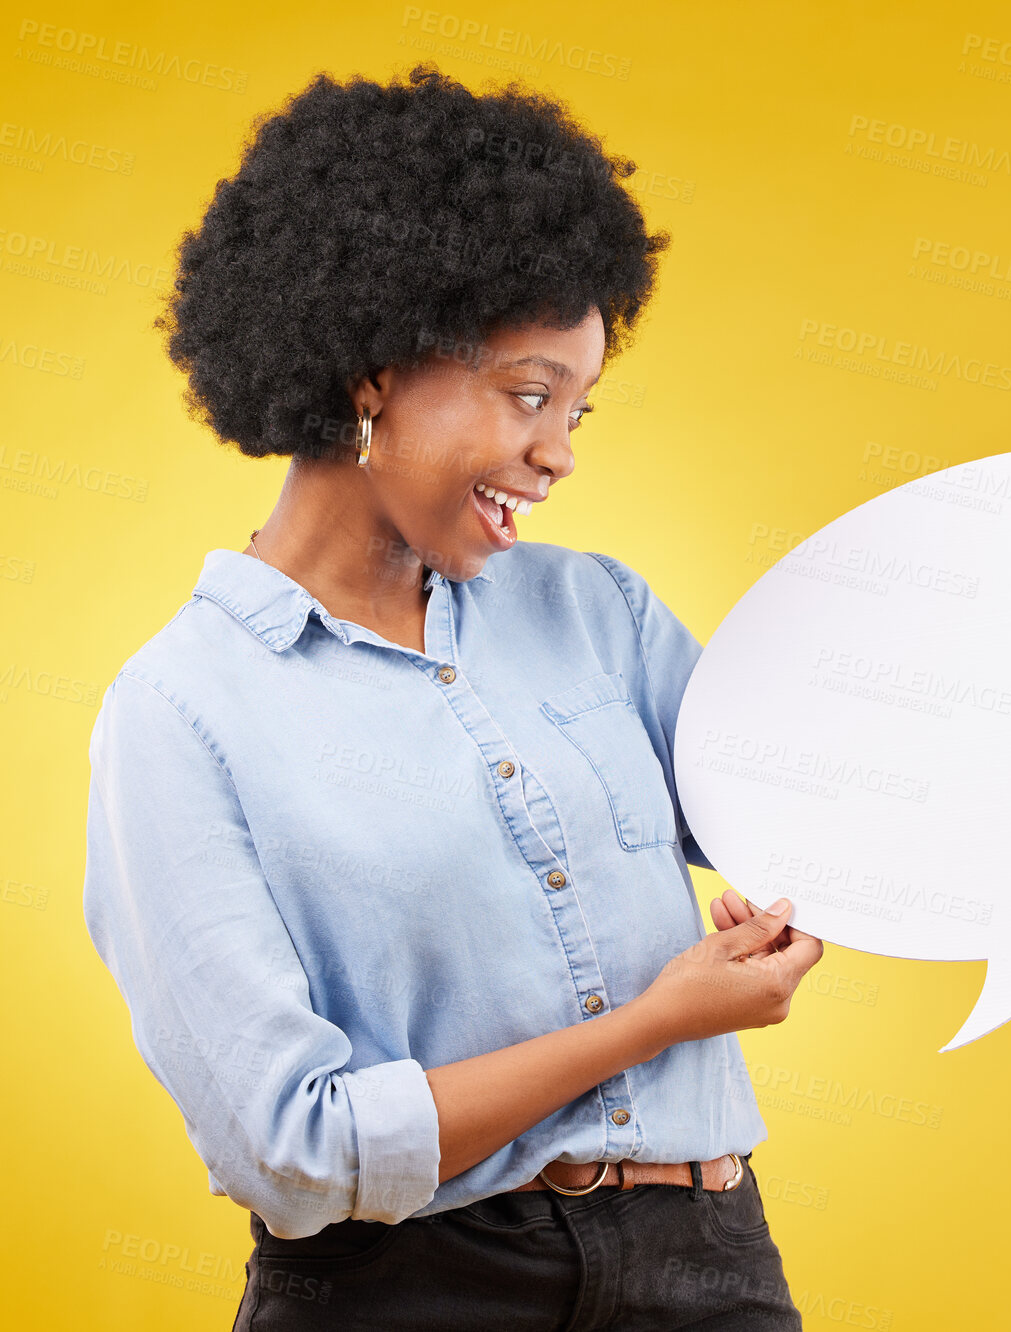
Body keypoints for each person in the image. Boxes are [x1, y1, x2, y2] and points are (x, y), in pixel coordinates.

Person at [81, 64, 823, 1330]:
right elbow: (290, 1152)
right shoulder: (184, 714)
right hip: (416, 1288)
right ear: (372, 368)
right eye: (530, 395)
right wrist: (650, 1026)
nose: (560, 453)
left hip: (711, 1261)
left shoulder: (599, 613)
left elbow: (811, 814)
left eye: (578, 410)